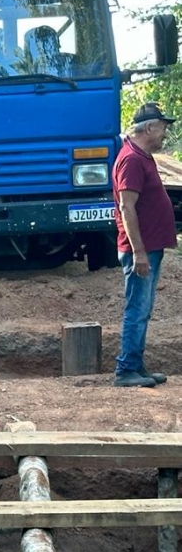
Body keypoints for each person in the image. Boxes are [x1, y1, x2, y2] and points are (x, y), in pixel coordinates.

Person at [112, 102, 177, 388]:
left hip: (149, 246)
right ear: (149, 127)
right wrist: (138, 252)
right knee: (137, 309)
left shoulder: (142, 156)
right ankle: (126, 370)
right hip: (140, 249)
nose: (165, 134)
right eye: (163, 128)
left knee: (143, 308)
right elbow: (127, 207)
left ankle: (136, 366)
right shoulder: (132, 160)